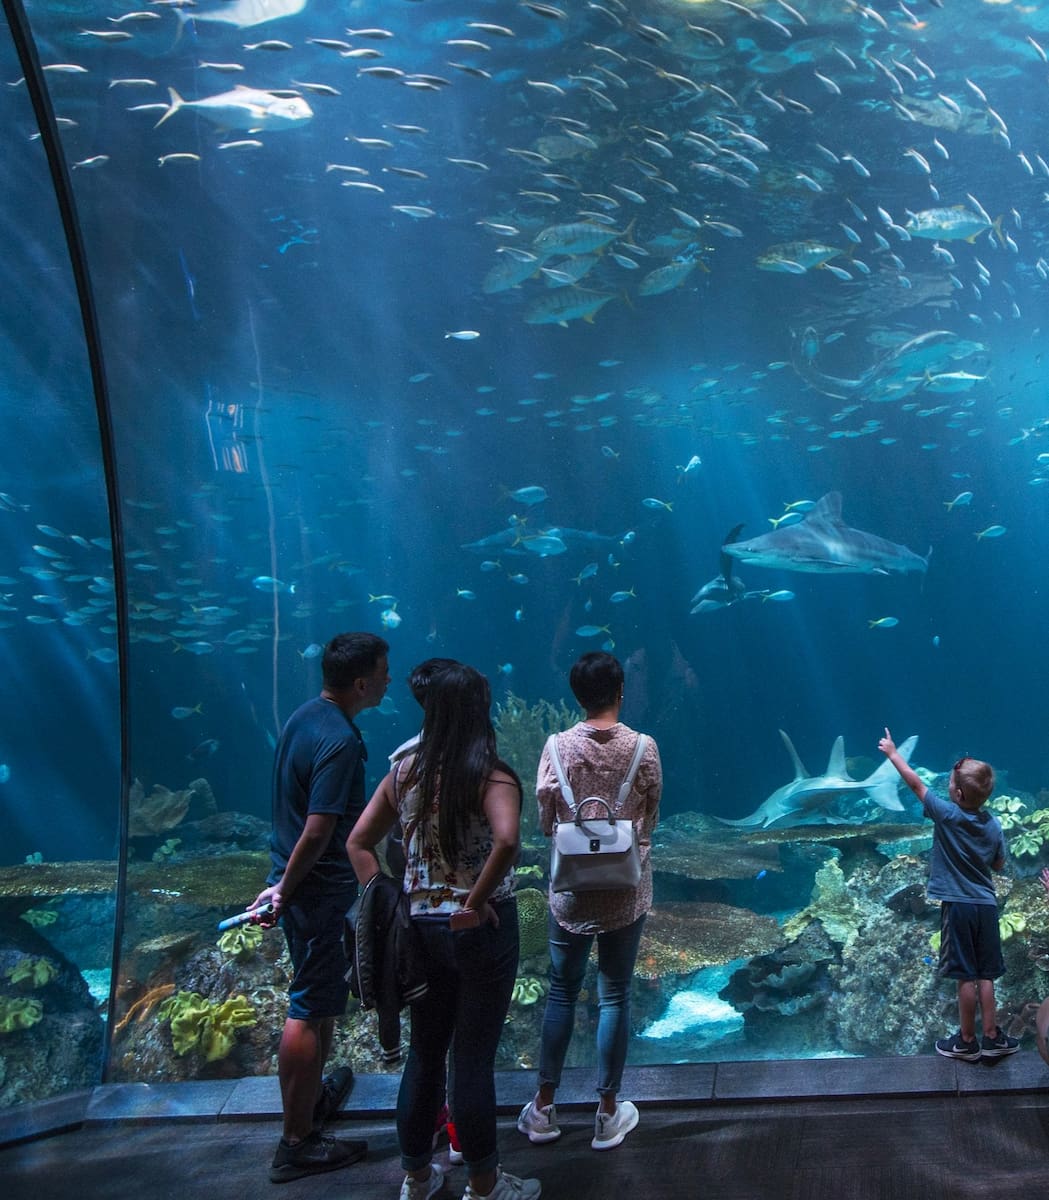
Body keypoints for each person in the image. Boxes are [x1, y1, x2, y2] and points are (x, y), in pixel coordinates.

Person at [347, 663, 540, 1200]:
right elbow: (507, 842)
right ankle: (484, 1186)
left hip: (420, 929)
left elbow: (359, 844)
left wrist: (385, 901)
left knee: (425, 1052)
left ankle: (416, 1177)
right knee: (472, 1058)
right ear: (477, 710)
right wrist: (474, 902)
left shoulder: (403, 767)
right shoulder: (488, 771)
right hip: (480, 930)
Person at [250, 632, 391, 1183]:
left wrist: (280, 881)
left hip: (298, 881)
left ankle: (308, 1107)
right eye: (382, 672)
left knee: (322, 997)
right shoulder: (339, 739)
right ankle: (297, 1141)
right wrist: (286, 889)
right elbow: (317, 829)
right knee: (309, 1002)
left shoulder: (305, 717)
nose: (387, 680)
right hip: (318, 888)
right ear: (360, 682)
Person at [519, 651, 662, 1152]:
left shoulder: (556, 746)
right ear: (621, 690)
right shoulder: (643, 747)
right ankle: (606, 1111)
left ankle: (543, 1107)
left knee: (561, 991)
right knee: (615, 994)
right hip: (626, 889)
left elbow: (544, 816)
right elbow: (651, 813)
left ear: (576, 696)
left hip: (571, 894)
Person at [878, 729, 1017, 1061]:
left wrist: (893, 754)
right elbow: (998, 864)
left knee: (964, 976)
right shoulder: (994, 824)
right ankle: (993, 1037)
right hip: (986, 906)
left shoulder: (947, 814)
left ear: (955, 792)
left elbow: (915, 785)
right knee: (986, 974)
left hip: (958, 908)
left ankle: (966, 1041)